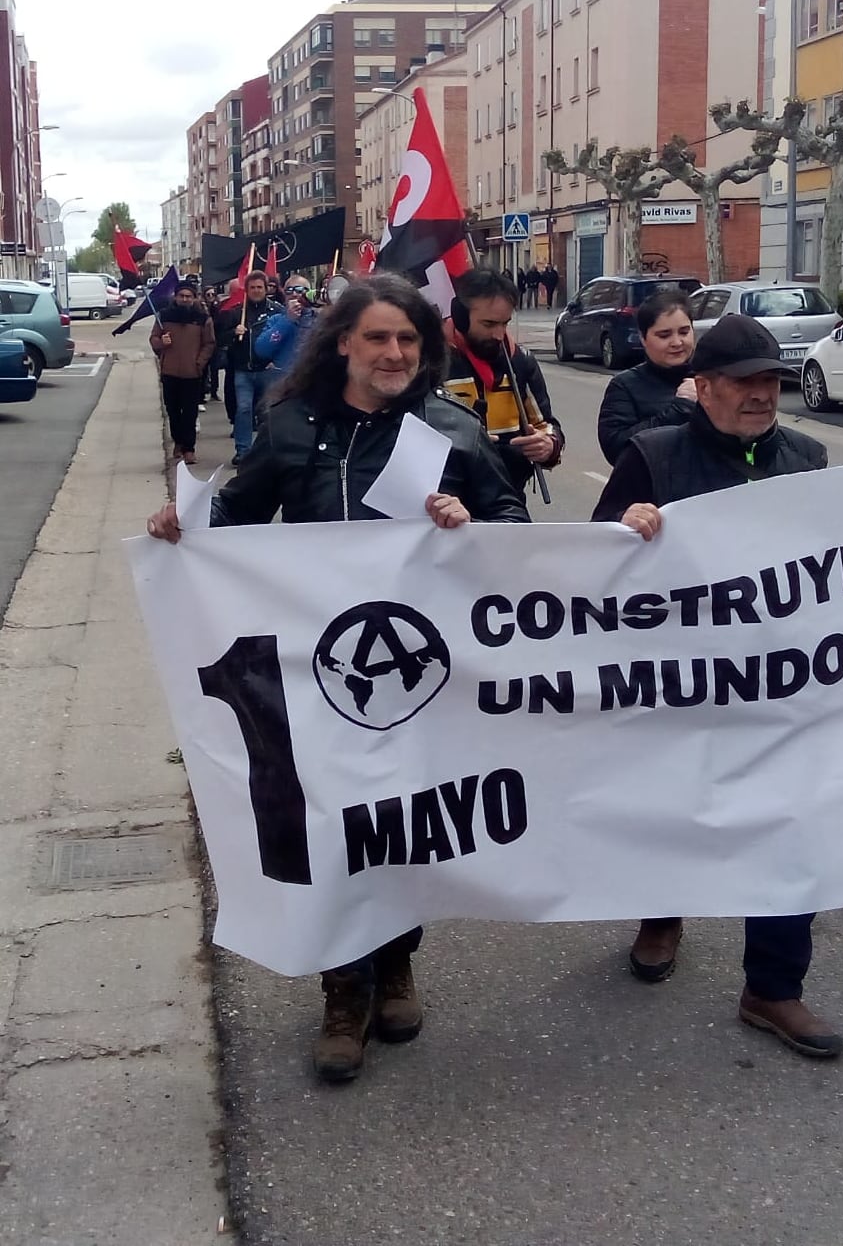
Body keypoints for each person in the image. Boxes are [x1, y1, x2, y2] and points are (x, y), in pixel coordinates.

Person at [146, 273, 530, 1084]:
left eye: (409, 341)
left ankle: (396, 965)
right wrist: (181, 524)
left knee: (401, 825)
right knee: (330, 828)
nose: (394, 353)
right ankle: (341, 995)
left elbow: (516, 535)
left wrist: (470, 529)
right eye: (379, 337)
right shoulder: (292, 428)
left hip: (426, 681)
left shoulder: (451, 432)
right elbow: (233, 523)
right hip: (321, 679)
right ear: (344, 342)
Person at [592, 314, 843, 1060]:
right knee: (673, 808)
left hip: (779, 686)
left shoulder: (807, 457)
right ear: (702, 388)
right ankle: (661, 911)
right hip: (680, 684)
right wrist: (622, 525)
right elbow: (588, 574)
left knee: (786, 827)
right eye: (743, 382)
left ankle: (773, 986)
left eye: (770, 381)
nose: (761, 395)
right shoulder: (654, 455)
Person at [445, 268, 564, 496]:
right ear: (460, 317)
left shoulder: (520, 362)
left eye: (505, 323)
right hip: (448, 501)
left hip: (509, 498)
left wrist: (549, 444)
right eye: (489, 324)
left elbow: (546, 423)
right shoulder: (431, 365)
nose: (500, 335)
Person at [596, 289, 698, 464]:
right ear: (643, 338)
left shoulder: (712, 377)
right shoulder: (625, 386)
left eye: (684, 332)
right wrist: (679, 409)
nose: (677, 342)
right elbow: (617, 449)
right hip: (657, 488)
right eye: (664, 335)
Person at [220, 270, 281, 464]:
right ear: (246, 290)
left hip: (268, 370)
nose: (256, 291)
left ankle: (268, 451)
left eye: (259, 287)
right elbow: (220, 339)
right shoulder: (237, 312)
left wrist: (277, 359)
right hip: (243, 370)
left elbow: (286, 338)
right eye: (252, 287)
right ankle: (243, 450)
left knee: (268, 412)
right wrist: (233, 333)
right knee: (244, 409)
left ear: (266, 289)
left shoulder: (277, 311)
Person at [150, 282, 215, 464]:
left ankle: (189, 448)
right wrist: (161, 342)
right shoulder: (164, 317)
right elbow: (154, 339)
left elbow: (209, 343)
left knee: (190, 412)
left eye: (189, 296)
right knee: (172, 410)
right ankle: (177, 441)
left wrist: (199, 363)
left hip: (192, 373)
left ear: (194, 298)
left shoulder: (203, 318)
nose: (185, 299)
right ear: (176, 297)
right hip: (169, 371)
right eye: (182, 296)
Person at [254, 275, 320, 385]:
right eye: (289, 290)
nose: (294, 294)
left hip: (312, 382)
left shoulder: (320, 319)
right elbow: (261, 350)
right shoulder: (276, 319)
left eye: (299, 290)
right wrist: (288, 320)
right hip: (283, 382)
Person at [201, 287, 223, 403]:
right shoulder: (201, 308)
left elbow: (220, 323)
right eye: (208, 295)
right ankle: (203, 392)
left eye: (212, 294)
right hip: (204, 343)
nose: (210, 297)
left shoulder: (217, 308)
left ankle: (214, 392)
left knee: (214, 369)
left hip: (215, 343)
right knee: (203, 369)